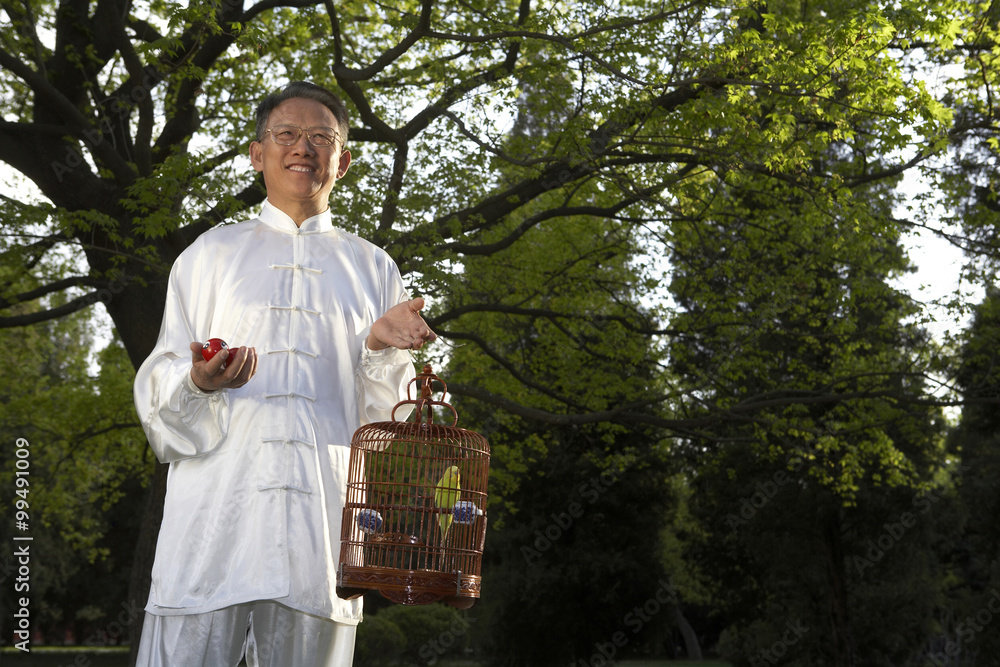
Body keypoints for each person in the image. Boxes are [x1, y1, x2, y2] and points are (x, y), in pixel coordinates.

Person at [132, 80, 436, 666]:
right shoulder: (207, 256)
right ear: (257, 153)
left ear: (342, 161)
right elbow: (162, 388)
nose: (304, 148)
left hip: (318, 530)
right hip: (214, 521)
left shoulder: (374, 268)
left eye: (321, 137)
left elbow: (386, 420)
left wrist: (377, 346)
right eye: (287, 135)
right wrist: (199, 383)